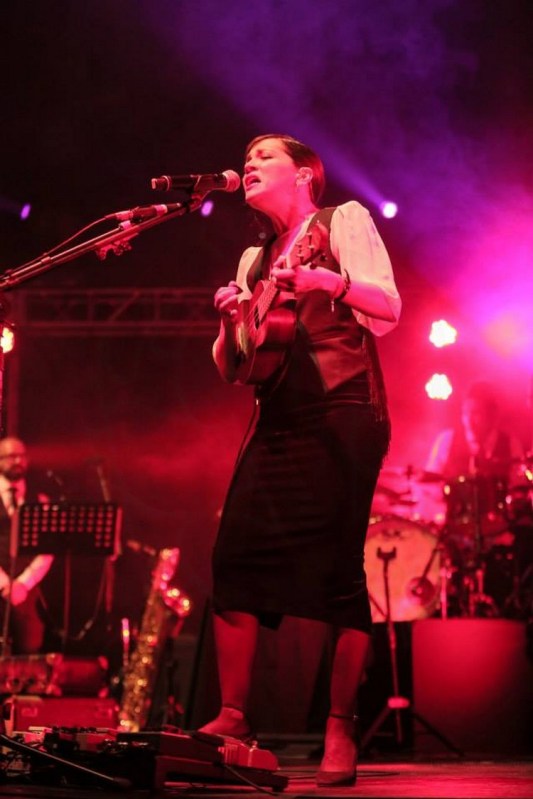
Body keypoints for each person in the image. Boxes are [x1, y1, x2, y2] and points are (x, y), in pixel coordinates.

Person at [201, 134, 401, 786]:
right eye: (247, 157)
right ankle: (234, 715)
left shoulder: (341, 220)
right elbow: (235, 365)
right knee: (233, 557)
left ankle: (340, 726)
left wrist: (328, 281)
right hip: (278, 421)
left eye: (265, 156)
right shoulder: (253, 258)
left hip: (343, 412)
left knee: (337, 571)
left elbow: (388, 309)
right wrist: (230, 320)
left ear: (304, 174)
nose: (249, 163)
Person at [0, 436, 54, 654]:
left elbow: (48, 549)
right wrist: (4, 583)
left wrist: (23, 583)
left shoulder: (40, 500)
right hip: (2, 583)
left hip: (26, 592)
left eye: (22, 456)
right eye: (11, 456)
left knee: (29, 649)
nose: (17, 461)